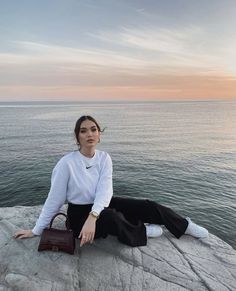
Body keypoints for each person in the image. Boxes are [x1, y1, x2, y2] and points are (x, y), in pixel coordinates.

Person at [14, 115, 208, 247]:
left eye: (93, 129)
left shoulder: (104, 158)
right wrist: (36, 230)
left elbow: (105, 191)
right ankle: (141, 231)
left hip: (100, 205)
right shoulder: (66, 164)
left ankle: (184, 225)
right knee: (111, 218)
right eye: (83, 131)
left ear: (99, 134)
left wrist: (94, 216)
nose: (89, 134)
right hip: (78, 215)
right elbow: (54, 199)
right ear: (77, 137)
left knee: (147, 205)